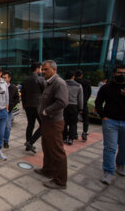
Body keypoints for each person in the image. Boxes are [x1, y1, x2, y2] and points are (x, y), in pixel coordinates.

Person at [34, 60, 68, 189]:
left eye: (46, 69)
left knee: (56, 151)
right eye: (42, 69)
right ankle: (47, 170)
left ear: (54, 70)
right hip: (47, 122)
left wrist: (46, 111)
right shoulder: (49, 82)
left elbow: (62, 102)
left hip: (54, 122)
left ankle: (60, 180)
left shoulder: (59, 83)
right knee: (47, 147)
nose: (43, 72)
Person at [95, 64, 125, 185]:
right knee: (110, 147)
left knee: (123, 146)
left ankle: (121, 165)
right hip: (110, 121)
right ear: (114, 73)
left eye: (124, 73)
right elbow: (98, 103)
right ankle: (108, 171)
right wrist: (104, 117)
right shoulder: (106, 87)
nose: (122, 75)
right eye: (119, 73)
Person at [21, 62, 45, 153]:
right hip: (38, 106)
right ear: (37, 68)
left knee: (30, 124)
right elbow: (45, 93)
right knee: (43, 126)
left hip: (28, 106)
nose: (41, 70)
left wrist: (24, 105)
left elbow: (23, 94)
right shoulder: (40, 79)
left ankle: (28, 145)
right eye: (41, 68)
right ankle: (30, 142)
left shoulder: (25, 80)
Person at [63, 70, 83, 145]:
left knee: (64, 122)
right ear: (73, 76)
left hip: (64, 105)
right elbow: (80, 98)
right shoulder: (78, 85)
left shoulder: (62, 84)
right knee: (73, 123)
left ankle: (64, 138)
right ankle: (71, 138)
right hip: (74, 106)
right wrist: (80, 108)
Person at [2, 71, 20, 149]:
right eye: (2, 78)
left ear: (9, 78)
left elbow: (17, 99)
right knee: (0, 126)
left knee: (8, 126)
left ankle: (6, 141)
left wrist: (11, 105)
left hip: (8, 110)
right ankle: (0, 139)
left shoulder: (13, 88)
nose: (3, 79)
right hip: (0, 109)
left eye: (5, 78)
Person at [75, 70, 92, 141]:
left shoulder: (74, 82)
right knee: (85, 119)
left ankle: (74, 133)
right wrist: (85, 100)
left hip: (75, 103)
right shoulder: (87, 82)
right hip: (84, 103)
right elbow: (89, 92)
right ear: (82, 75)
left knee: (74, 119)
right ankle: (84, 132)